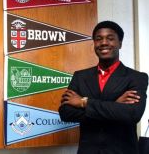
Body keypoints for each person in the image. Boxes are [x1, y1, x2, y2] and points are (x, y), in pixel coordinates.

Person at [59, 21, 148, 154]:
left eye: (110, 38)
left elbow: (132, 114)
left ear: (120, 43)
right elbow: (66, 113)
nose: (104, 43)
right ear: (94, 44)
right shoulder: (80, 76)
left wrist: (84, 102)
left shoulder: (136, 77)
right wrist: (115, 106)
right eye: (98, 39)